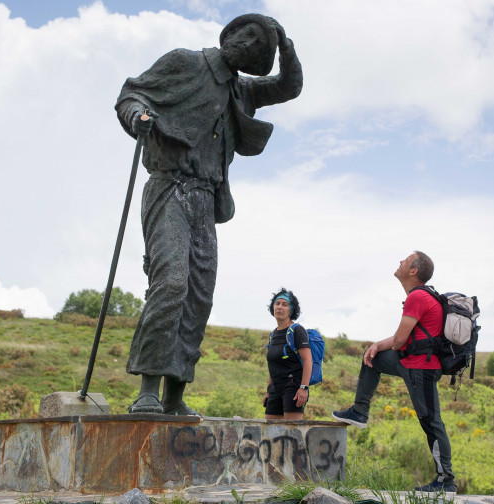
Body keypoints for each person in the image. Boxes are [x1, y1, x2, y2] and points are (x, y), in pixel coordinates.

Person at [115, 14, 303, 415]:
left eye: (260, 47)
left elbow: (289, 86)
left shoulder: (242, 91)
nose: (251, 45)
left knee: (199, 297)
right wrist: (139, 118)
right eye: (248, 36)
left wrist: (284, 44)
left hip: (205, 200)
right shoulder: (185, 62)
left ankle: (175, 396)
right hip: (169, 186)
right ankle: (148, 389)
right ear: (230, 34)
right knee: (171, 284)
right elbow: (132, 94)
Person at [332, 251, 456, 493]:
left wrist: (381, 344)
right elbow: (402, 340)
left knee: (431, 422)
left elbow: (399, 340)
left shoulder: (418, 297)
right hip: (409, 362)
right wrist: (376, 346)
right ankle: (359, 412)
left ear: (413, 271)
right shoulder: (420, 296)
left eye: (406, 260)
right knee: (372, 358)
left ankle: (446, 480)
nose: (400, 261)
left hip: (422, 369)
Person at [263, 288, 312, 420]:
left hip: (293, 387)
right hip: (275, 388)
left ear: (291, 310)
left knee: (291, 433)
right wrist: (268, 391)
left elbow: (308, 360)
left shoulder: (297, 330)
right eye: (277, 303)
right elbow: (273, 365)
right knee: (270, 434)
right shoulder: (273, 334)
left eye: (285, 304)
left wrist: (303, 388)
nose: (280, 307)